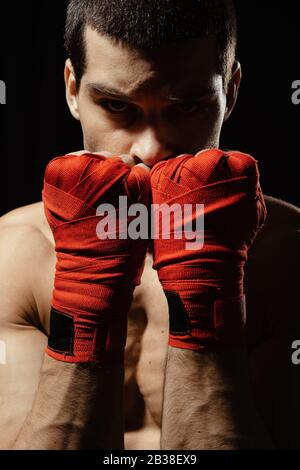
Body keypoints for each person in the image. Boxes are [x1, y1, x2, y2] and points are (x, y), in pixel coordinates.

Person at [0, 0, 299, 450]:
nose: (151, 148)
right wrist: (84, 288)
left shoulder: (288, 256)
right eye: (117, 106)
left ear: (231, 93)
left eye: (186, 107)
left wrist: (209, 290)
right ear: (71, 90)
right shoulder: (13, 257)